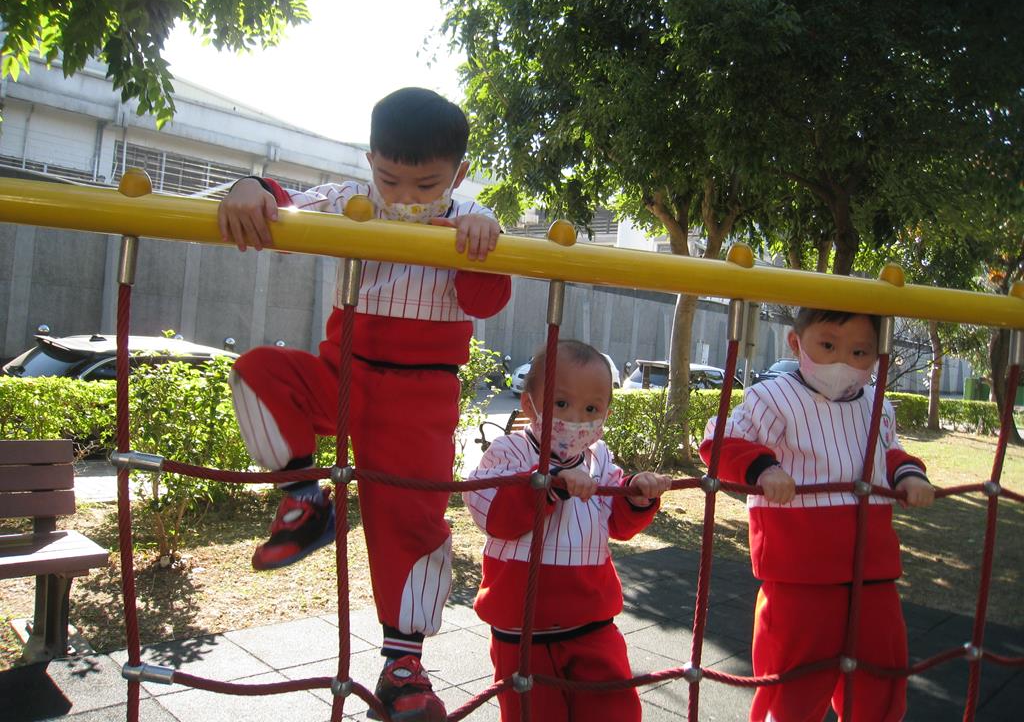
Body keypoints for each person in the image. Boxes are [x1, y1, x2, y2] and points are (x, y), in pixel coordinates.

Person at [217, 87, 511, 722]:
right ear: (370, 159)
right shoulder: (353, 201)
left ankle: (404, 665)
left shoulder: (469, 216)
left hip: (420, 397)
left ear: (458, 173)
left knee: (411, 520)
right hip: (343, 372)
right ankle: (305, 499)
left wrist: (482, 242)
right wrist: (250, 185)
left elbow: (485, 302)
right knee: (259, 372)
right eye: (389, 178)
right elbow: (283, 210)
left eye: (426, 184)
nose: (404, 197)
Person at [700, 308, 935, 722]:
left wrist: (909, 474)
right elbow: (720, 442)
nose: (842, 362)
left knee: (882, 672)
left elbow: (889, 452)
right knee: (795, 681)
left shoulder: (878, 405)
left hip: (872, 570)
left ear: (877, 356)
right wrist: (764, 469)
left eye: (860, 352)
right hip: (800, 571)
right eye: (828, 346)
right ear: (796, 343)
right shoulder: (772, 398)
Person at [465, 339, 672, 721]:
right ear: (529, 405)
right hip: (522, 626)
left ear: (606, 413)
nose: (576, 419)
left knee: (615, 710)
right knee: (533, 713)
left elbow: (617, 522)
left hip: (591, 621)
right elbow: (492, 515)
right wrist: (548, 484)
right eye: (561, 404)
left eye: (591, 409)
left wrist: (637, 495)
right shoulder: (509, 452)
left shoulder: (599, 458)